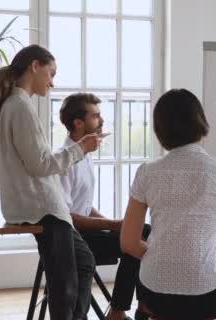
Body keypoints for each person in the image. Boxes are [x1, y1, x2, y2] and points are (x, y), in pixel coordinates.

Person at [0, 44, 102, 320]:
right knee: (65, 288)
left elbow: (36, 161)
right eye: (51, 72)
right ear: (35, 66)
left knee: (82, 265)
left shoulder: (12, 105)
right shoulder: (20, 106)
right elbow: (41, 164)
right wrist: (81, 148)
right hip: (43, 209)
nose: (52, 81)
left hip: (40, 207)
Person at [120, 88, 216, 320]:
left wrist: (158, 253)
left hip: (156, 295)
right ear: (200, 122)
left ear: (159, 129)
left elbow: (128, 243)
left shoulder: (146, 173)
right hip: (208, 297)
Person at [58, 93, 152, 320]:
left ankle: (137, 308)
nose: (102, 121)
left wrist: (116, 225)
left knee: (140, 232)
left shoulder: (85, 155)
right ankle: (121, 311)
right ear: (78, 123)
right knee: (140, 235)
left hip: (85, 233)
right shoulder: (64, 160)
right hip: (71, 239)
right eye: (96, 116)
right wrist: (113, 224)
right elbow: (66, 216)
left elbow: (84, 206)